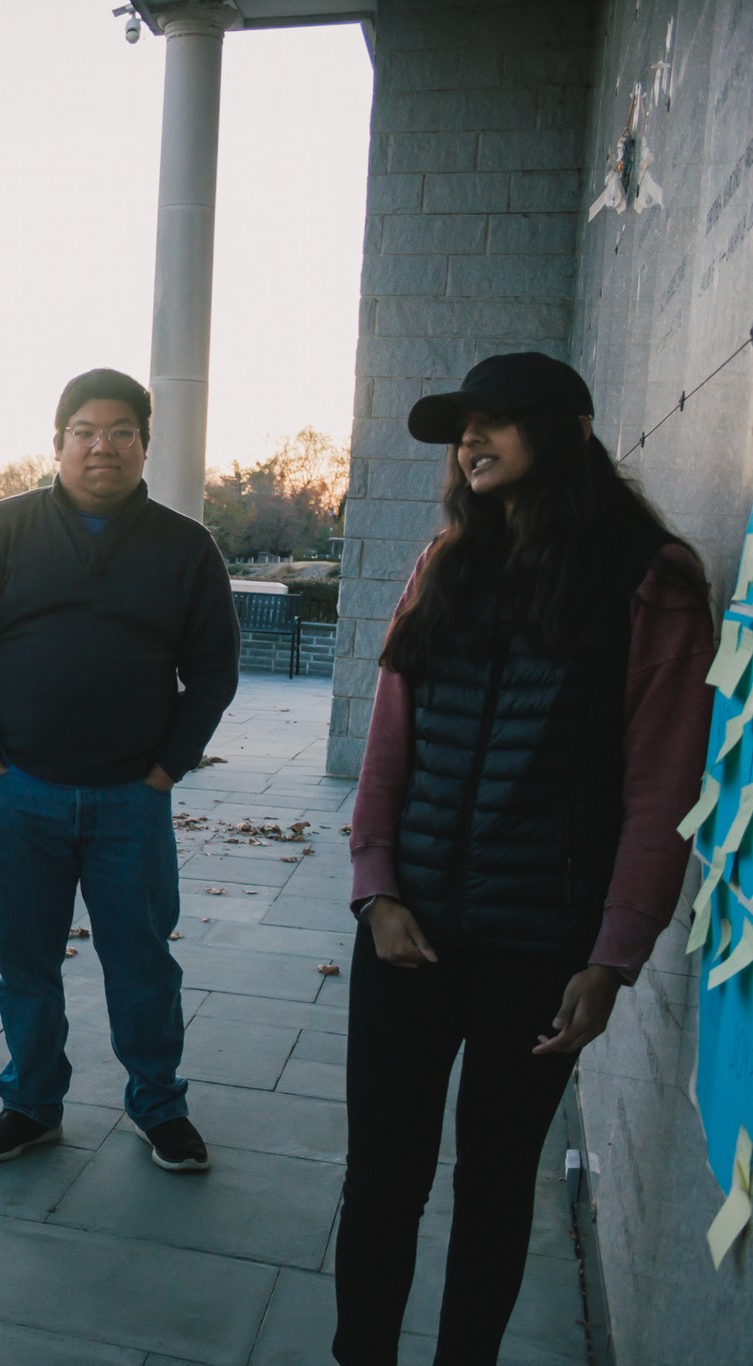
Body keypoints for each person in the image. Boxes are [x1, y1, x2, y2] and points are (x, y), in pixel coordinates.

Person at [335, 353, 712, 1364]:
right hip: (405, 932)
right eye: (462, 426)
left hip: (537, 948)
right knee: (378, 1179)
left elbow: (660, 786)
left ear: (567, 432)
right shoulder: (444, 560)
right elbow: (388, 740)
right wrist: (374, 889)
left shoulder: (650, 582)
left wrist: (611, 955)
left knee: (493, 1190)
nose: (469, 441)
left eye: (495, 421)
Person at [0, 367, 239, 1171]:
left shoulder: (184, 547)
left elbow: (213, 669)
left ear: (144, 443)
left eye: (121, 432)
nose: (102, 446)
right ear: (59, 442)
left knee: (142, 963)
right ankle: (30, 1105)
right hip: (21, 790)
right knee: (25, 961)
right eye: (85, 432)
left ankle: (158, 1106)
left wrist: (168, 768)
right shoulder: (5, 528)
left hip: (130, 800)